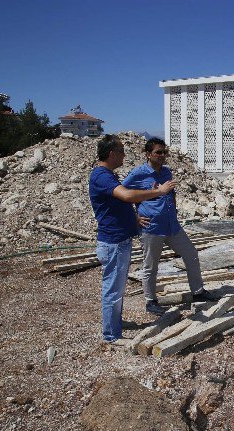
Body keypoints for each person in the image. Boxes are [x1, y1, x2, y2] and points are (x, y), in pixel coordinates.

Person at [89, 135, 176, 344]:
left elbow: (120, 202)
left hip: (119, 240)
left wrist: (133, 217)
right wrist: (158, 191)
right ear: (111, 154)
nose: (124, 155)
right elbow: (127, 196)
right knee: (113, 288)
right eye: (121, 151)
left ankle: (114, 323)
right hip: (114, 242)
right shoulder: (101, 176)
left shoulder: (107, 175)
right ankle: (111, 335)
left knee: (117, 288)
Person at [123, 137, 212, 316]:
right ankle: (150, 300)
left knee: (191, 254)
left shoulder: (166, 172)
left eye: (164, 152)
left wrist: (173, 207)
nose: (163, 155)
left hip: (172, 226)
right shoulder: (138, 174)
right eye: (158, 152)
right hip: (152, 227)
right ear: (148, 154)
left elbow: (171, 193)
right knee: (150, 265)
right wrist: (134, 218)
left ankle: (198, 292)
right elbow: (122, 195)